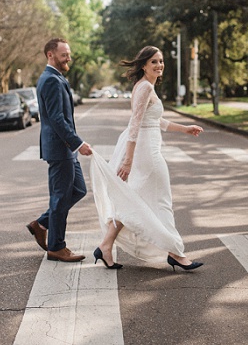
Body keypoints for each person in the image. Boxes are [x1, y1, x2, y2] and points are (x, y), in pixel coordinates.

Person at [90, 46, 204, 272]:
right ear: (143, 65)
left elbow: (155, 121)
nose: (159, 65)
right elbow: (135, 125)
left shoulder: (146, 87)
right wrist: (128, 160)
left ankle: (105, 245)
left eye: (161, 61)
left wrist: (185, 129)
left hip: (148, 148)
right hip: (146, 153)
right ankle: (176, 253)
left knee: (134, 200)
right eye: (154, 62)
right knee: (161, 201)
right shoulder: (144, 88)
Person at [27, 38, 93, 263]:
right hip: (60, 148)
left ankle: (41, 223)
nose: (68, 58)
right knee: (60, 197)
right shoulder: (51, 80)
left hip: (65, 150)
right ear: (50, 55)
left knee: (78, 190)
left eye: (69, 54)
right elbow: (56, 118)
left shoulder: (55, 78)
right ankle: (56, 247)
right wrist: (78, 143)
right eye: (64, 54)